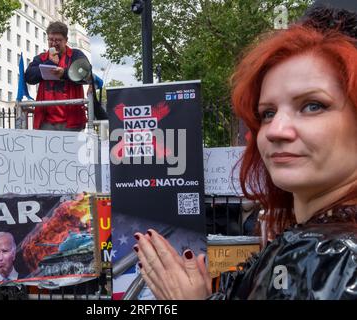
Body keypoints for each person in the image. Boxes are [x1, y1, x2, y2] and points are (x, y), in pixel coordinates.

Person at [133, 23, 357, 299]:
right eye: (268, 113)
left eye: (313, 106)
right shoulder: (310, 247)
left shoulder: (330, 256)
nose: (276, 130)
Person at [25, 21, 87, 131]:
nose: (53, 44)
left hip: (71, 121)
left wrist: (64, 73)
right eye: (50, 40)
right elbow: (29, 77)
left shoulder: (76, 55)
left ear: (66, 40)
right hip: (46, 121)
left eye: (58, 40)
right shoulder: (41, 58)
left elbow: (86, 74)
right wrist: (50, 63)